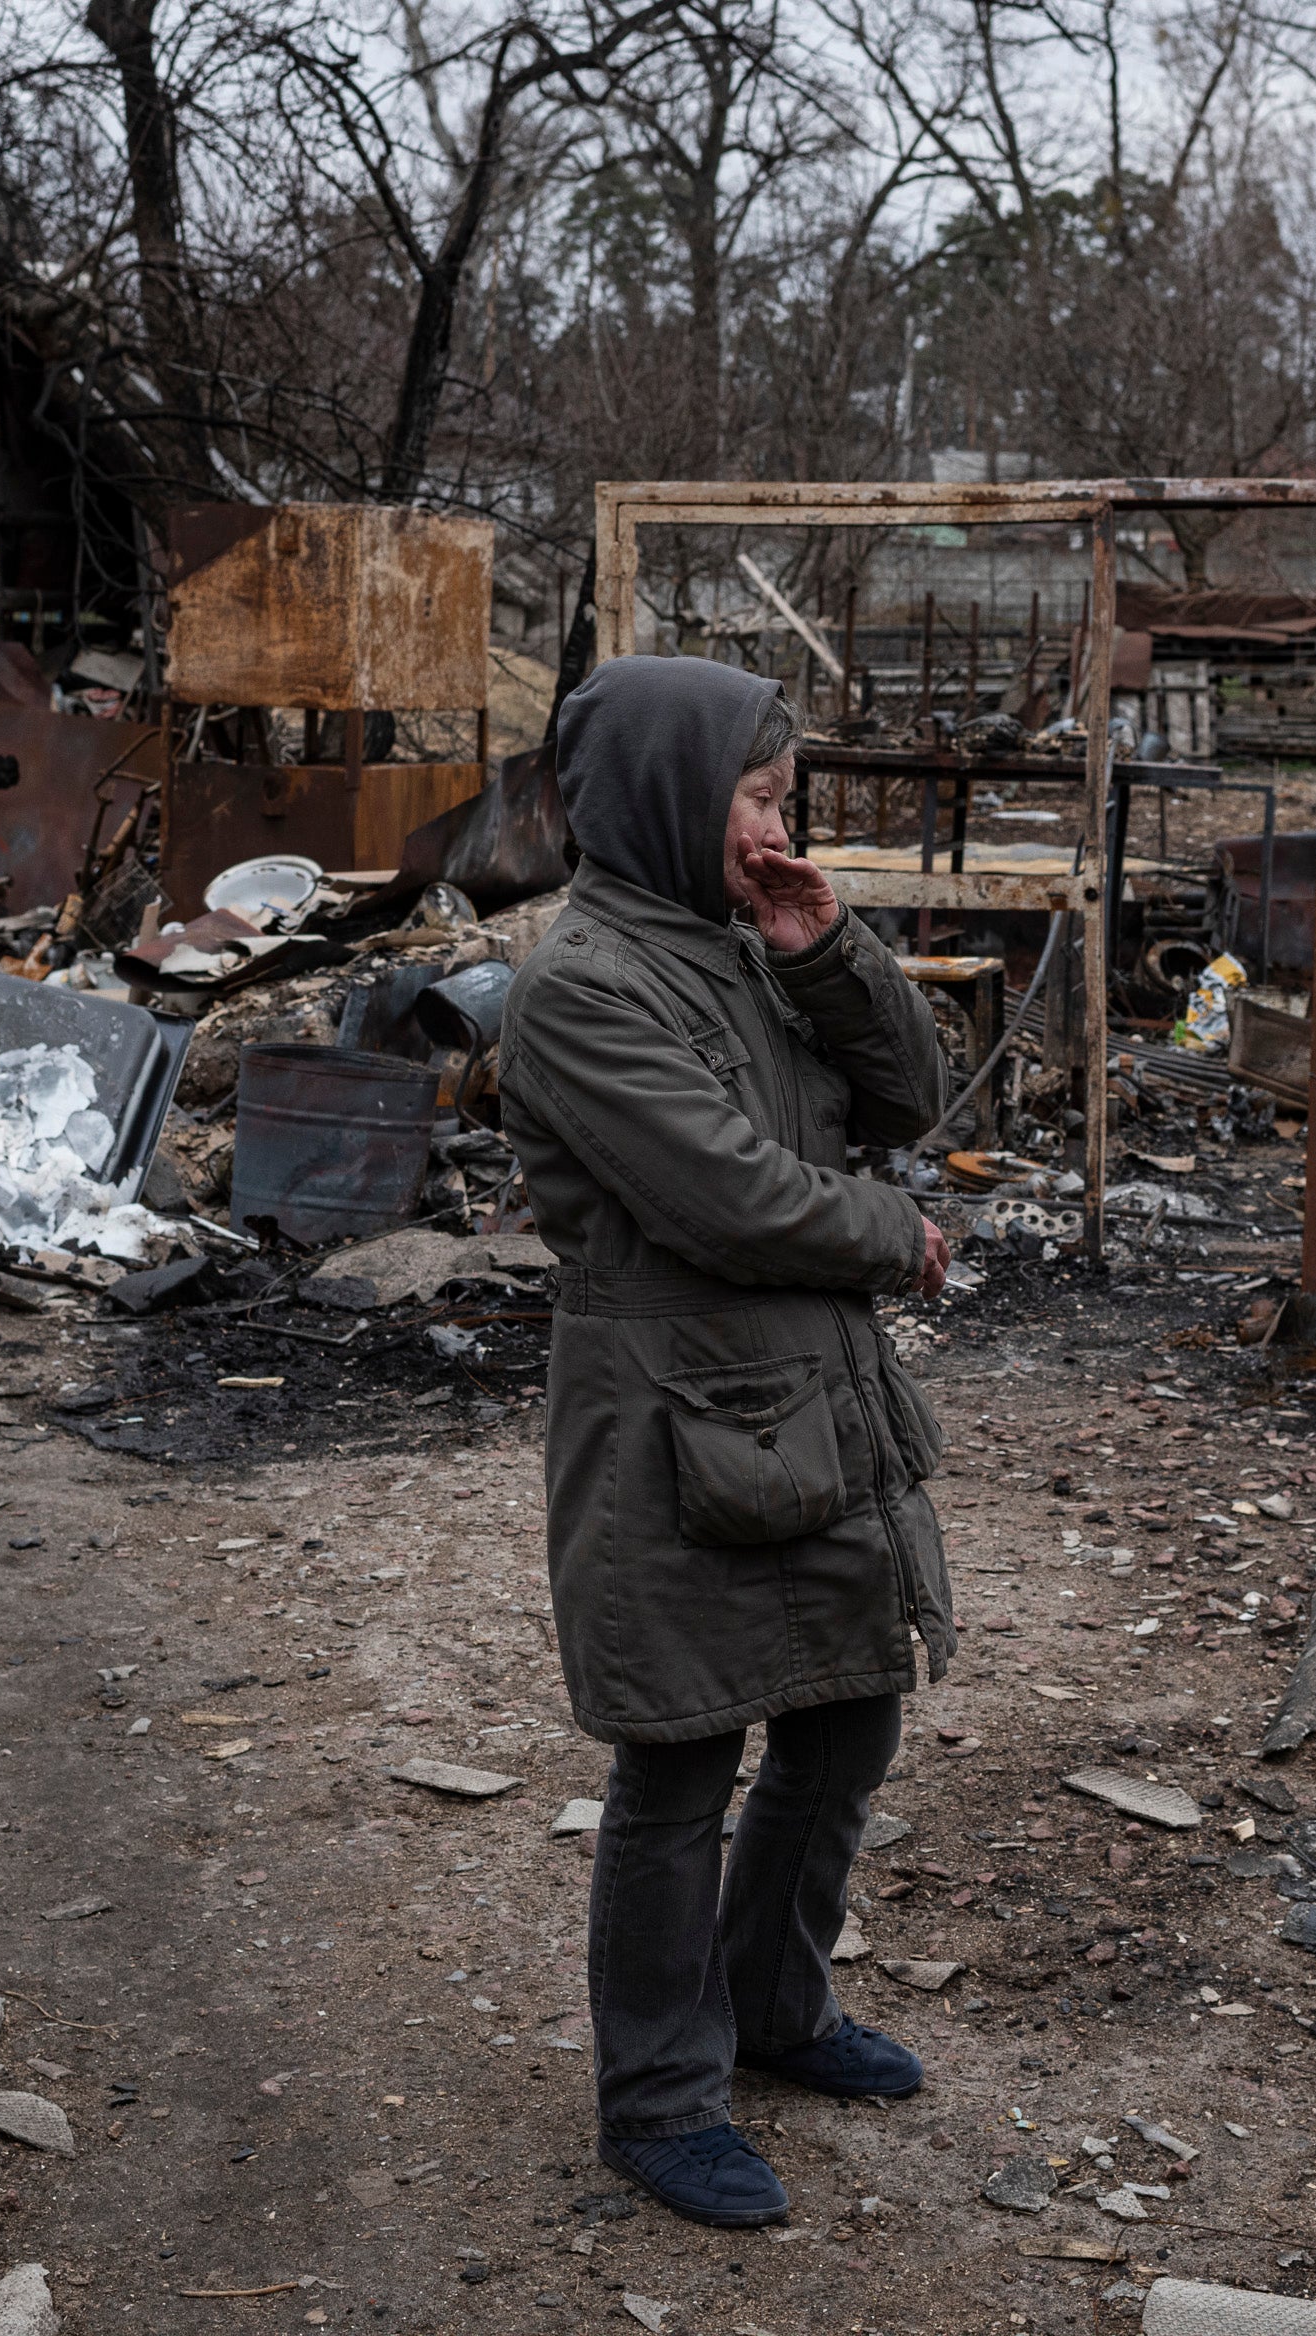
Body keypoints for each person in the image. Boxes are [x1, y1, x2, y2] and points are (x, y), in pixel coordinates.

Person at [497, 653, 959, 2228]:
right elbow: (727, 1197)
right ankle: (660, 2100)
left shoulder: (749, 942)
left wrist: (829, 950)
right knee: (682, 1754)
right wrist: (893, 1236)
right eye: (756, 798)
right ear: (670, 797)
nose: (777, 828)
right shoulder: (583, 987)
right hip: (667, 1412)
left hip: (811, 1394)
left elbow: (912, 1093)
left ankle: (775, 2011)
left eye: (782, 799)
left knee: (844, 1720)